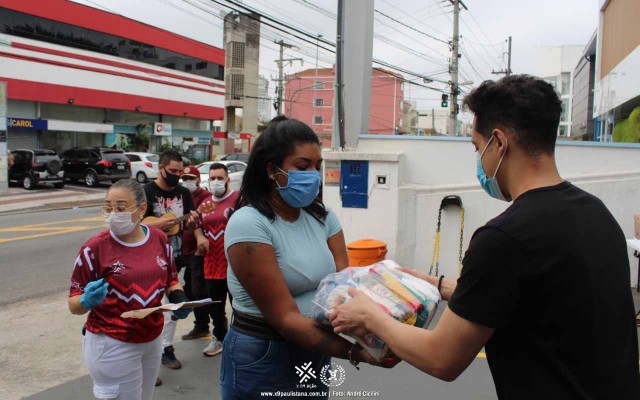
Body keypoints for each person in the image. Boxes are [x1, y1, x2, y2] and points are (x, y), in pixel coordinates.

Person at [329, 75, 640, 399]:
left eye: (478, 148)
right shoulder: (597, 214)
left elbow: (442, 357)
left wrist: (370, 316)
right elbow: (536, 295)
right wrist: (432, 284)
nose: (479, 161)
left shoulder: (504, 237)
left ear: (499, 143)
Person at [221, 117, 390, 399]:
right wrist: (358, 352)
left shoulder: (322, 216)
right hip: (264, 353)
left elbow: (343, 285)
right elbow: (285, 318)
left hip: (316, 347)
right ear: (271, 170)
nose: (313, 174)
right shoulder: (249, 224)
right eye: (302, 167)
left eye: (317, 166)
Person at [68, 179, 191, 400]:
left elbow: (171, 278)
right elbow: (74, 304)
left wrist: (178, 296)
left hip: (152, 339)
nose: (113, 214)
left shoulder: (159, 239)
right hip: (112, 342)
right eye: (108, 208)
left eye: (121, 208)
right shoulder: (94, 248)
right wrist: (86, 301)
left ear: (141, 209)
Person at [142, 150, 195, 371]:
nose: (177, 175)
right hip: (148, 258)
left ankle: (166, 349)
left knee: (174, 305)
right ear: (161, 168)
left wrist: (192, 222)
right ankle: (146, 354)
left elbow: (189, 225)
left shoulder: (183, 193)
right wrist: (158, 226)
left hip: (177, 258)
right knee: (150, 307)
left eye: (179, 171)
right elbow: (135, 223)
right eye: (172, 171)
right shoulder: (145, 191)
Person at [198, 163, 239, 356]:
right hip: (212, 264)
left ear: (228, 180)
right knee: (214, 306)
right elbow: (197, 225)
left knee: (239, 306)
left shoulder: (239, 200)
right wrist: (199, 235)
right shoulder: (205, 204)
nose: (215, 182)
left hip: (235, 266)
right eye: (212, 178)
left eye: (220, 178)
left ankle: (240, 340)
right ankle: (220, 338)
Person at [179, 165, 214, 341]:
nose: (187, 182)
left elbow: (206, 221)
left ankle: (203, 326)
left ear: (199, 180)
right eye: (184, 178)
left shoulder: (206, 198)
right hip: (182, 250)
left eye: (191, 178)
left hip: (197, 251)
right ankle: (201, 323)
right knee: (188, 289)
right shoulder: (183, 195)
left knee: (197, 289)